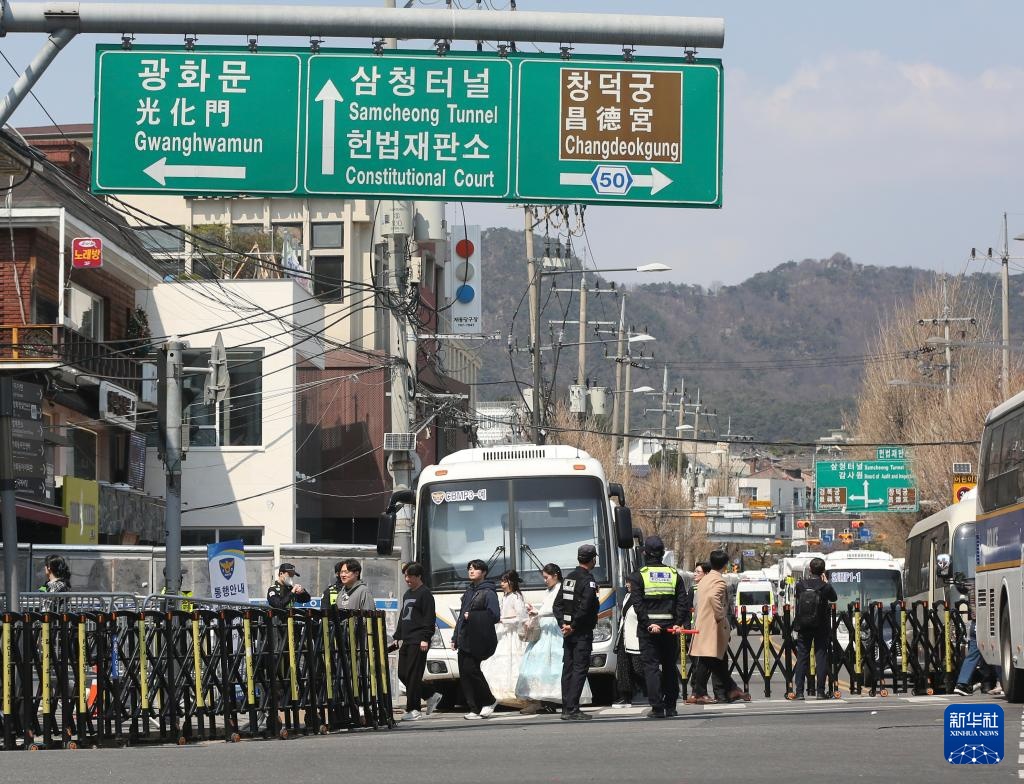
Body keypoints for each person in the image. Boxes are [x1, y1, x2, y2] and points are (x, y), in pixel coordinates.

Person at [517, 563, 592, 713]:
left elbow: (556, 609)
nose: (545, 580)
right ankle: (545, 701)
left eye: (546, 577)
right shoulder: (549, 590)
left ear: (555, 576)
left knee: (556, 665)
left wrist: (538, 612)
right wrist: (536, 611)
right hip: (546, 629)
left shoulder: (559, 588)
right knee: (542, 666)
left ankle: (557, 700)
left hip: (554, 628)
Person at [628, 535, 690, 718]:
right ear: (663, 554)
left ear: (645, 553)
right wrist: (679, 624)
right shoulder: (673, 575)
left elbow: (637, 605)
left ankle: (657, 708)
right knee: (670, 667)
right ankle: (671, 706)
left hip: (649, 631)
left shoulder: (638, 576)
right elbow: (683, 603)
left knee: (651, 668)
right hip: (670, 630)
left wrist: (648, 624)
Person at [686, 549, 750, 705]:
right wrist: (721, 616)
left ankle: (730, 689)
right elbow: (714, 597)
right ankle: (699, 693)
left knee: (717, 660)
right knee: (709, 660)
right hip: (713, 626)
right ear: (725, 565)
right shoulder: (719, 581)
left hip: (703, 623)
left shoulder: (705, 580)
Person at [554, 543, 600, 721]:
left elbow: (557, 605)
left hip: (568, 633)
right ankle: (573, 709)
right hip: (580, 632)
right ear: (593, 559)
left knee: (568, 669)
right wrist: (573, 625)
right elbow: (586, 607)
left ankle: (566, 708)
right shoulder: (588, 580)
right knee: (579, 669)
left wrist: (563, 625)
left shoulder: (568, 579)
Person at [393, 562, 443, 721]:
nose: (407, 579)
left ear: (419, 576)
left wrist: (425, 638)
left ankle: (414, 709)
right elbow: (403, 616)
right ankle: (430, 695)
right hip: (406, 639)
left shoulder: (425, 594)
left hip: (418, 639)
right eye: (406, 576)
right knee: (402, 674)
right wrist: (398, 636)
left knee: (413, 675)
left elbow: (429, 618)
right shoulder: (408, 594)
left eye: (410, 576)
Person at [452, 559, 500, 720]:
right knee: (464, 674)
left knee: (472, 670)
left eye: (475, 569)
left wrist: (472, 616)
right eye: (469, 569)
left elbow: (494, 616)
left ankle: (489, 700)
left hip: (478, 638)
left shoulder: (489, 592)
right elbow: (460, 617)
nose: (471, 571)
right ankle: (474, 708)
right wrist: (455, 636)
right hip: (464, 637)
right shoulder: (469, 591)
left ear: (484, 572)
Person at [792, 556, 839, 700]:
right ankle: (820, 691)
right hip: (821, 625)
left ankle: (799, 692)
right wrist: (826, 582)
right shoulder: (825, 586)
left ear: (810, 570)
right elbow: (834, 598)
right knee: (821, 657)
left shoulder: (801, 585)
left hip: (804, 625)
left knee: (802, 657)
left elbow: (798, 597)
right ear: (823, 570)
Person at [481, 569, 529, 706]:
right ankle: (496, 694)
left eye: (504, 581)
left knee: (512, 662)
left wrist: (504, 620)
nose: (501, 584)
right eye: (501, 581)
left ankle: (515, 694)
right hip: (502, 633)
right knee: (495, 661)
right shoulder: (505, 597)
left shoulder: (516, 597)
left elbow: (522, 618)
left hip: (512, 635)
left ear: (511, 582)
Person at [688, 561, 727, 702]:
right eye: (695, 571)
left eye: (698, 572)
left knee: (714, 661)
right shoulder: (699, 588)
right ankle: (699, 692)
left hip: (706, 629)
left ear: (706, 573)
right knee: (706, 661)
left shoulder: (707, 585)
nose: (695, 574)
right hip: (703, 629)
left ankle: (723, 691)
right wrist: (720, 617)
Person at [611, 580, 645, 707]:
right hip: (624, 637)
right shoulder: (627, 596)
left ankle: (659, 688)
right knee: (624, 667)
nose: (626, 585)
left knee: (639, 668)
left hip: (636, 637)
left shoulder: (642, 597)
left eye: (629, 583)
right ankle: (625, 696)